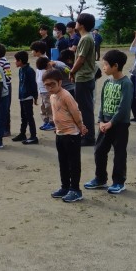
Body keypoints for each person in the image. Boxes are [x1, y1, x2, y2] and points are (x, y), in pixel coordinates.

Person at [84, 49, 133, 195]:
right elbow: (103, 102)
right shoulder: (107, 82)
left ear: (115, 66)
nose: (103, 67)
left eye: (105, 64)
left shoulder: (126, 83)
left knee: (119, 153)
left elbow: (124, 107)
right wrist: (100, 120)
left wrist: (112, 122)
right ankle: (100, 179)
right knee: (99, 150)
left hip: (120, 124)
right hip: (105, 123)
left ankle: (119, 182)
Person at [44, 68, 87, 203]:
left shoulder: (66, 96)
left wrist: (81, 127)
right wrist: (56, 127)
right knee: (63, 162)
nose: (49, 87)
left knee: (73, 163)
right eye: (46, 85)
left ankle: (75, 190)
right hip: (60, 133)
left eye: (52, 84)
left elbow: (76, 112)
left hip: (71, 134)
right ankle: (65, 187)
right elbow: (57, 113)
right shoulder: (52, 96)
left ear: (60, 82)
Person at [69, 12, 97, 146]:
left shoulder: (86, 38)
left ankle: (89, 137)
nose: (75, 23)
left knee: (85, 109)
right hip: (85, 77)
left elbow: (81, 58)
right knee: (84, 107)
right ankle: (85, 134)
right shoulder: (86, 37)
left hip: (84, 77)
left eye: (77, 21)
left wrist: (72, 71)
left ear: (81, 25)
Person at [12, 51, 38, 144]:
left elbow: (33, 84)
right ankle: (22, 133)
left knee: (29, 117)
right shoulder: (21, 70)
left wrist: (35, 97)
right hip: (22, 96)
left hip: (28, 96)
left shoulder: (29, 71)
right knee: (23, 117)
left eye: (16, 60)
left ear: (20, 61)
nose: (15, 62)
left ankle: (33, 136)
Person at [31, 41, 54, 129]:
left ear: (38, 51)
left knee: (49, 106)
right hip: (41, 89)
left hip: (46, 89)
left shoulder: (45, 61)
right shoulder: (40, 60)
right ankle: (46, 121)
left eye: (33, 50)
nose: (32, 52)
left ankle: (52, 122)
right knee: (43, 106)